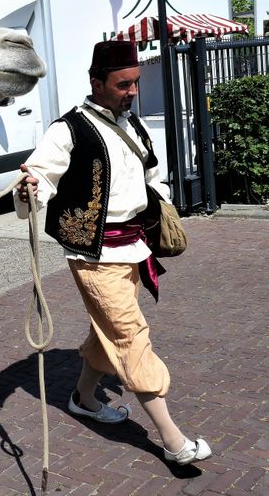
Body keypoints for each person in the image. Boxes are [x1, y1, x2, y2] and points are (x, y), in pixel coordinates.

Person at [15, 40, 211, 466]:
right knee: (129, 336)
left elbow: (153, 174)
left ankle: (83, 399)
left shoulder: (134, 125)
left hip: (134, 248)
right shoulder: (67, 130)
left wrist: (160, 205)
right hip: (94, 256)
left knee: (107, 336)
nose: (132, 91)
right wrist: (29, 191)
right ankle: (173, 441)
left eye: (135, 83)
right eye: (123, 84)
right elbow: (41, 178)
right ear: (96, 82)